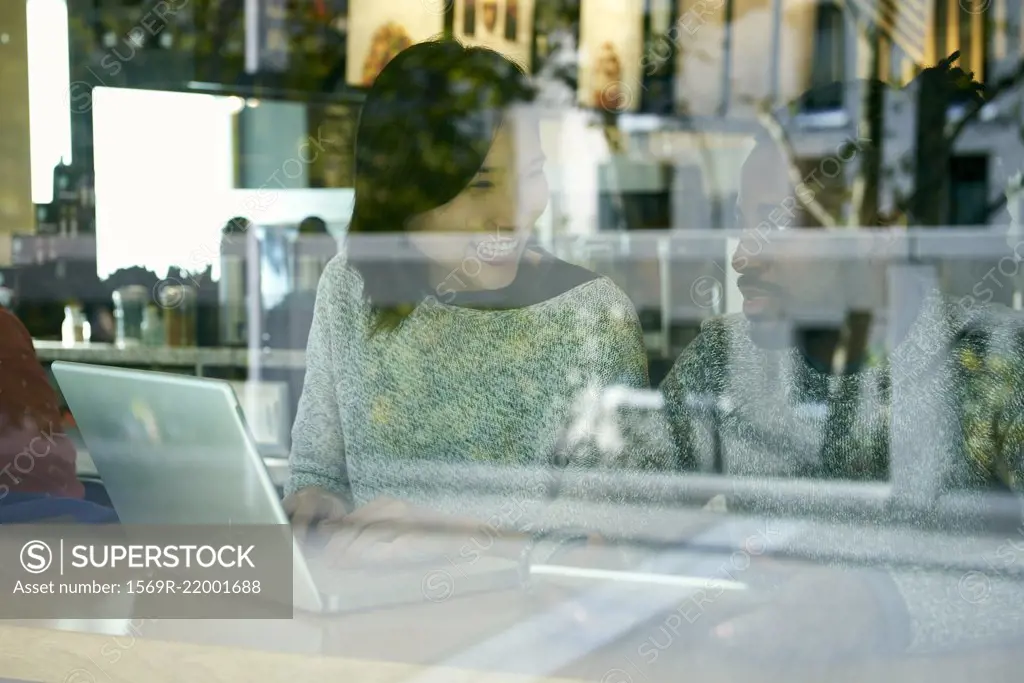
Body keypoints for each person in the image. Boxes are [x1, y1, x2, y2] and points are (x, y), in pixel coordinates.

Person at [659, 65, 1024, 659]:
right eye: (741, 224)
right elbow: (617, 508)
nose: (744, 256)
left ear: (878, 229)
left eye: (776, 224)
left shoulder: (996, 362)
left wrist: (885, 605)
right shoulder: (722, 359)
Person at [284, 40, 651, 565]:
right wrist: (318, 502)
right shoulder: (349, 287)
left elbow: (612, 551)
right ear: (405, 191)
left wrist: (455, 540)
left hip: (522, 638)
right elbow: (320, 470)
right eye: (480, 183)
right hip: (368, 625)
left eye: (529, 175)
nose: (512, 213)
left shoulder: (590, 315)